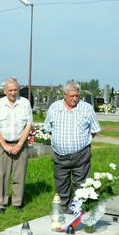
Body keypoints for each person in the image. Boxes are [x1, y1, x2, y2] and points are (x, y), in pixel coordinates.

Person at [44, 80, 101, 213]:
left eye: (77, 95)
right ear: (64, 95)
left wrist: (82, 142)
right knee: (61, 185)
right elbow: (48, 128)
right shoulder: (55, 108)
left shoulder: (86, 108)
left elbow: (94, 130)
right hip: (60, 157)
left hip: (81, 156)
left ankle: (79, 212)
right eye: (71, 96)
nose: (75, 99)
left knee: (81, 187)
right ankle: (63, 210)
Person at [0, 77, 32, 214]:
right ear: (5, 91)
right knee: (1, 175)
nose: (13, 93)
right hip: (2, 144)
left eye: (15, 90)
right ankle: (1, 203)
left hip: (20, 143)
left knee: (19, 175)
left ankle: (17, 202)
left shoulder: (25, 103)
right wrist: (4, 145)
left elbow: (28, 125)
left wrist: (19, 145)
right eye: (10, 90)